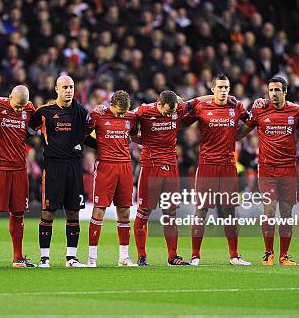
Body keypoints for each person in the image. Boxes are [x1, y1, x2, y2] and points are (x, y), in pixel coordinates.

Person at [239, 77, 299, 265]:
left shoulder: (296, 111)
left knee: (286, 214)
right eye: (271, 90)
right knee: (269, 212)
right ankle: (269, 253)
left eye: (277, 90)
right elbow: (242, 131)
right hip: (267, 169)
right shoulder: (259, 109)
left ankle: (284, 256)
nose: (273, 93)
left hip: (288, 170)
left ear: (285, 92)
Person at [190, 73, 252, 266]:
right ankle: (195, 256)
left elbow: (252, 122)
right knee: (202, 209)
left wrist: (237, 136)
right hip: (207, 164)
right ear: (213, 89)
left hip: (228, 166)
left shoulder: (237, 107)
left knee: (229, 210)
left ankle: (234, 256)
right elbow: (184, 106)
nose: (224, 91)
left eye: (226, 87)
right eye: (220, 87)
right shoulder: (202, 107)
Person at [29, 75, 91, 268]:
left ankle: (71, 258)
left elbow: (89, 135)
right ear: (56, 89)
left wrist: (111, 144)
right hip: (53, 167)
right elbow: (26, 133)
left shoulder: (80, 112)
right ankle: (44, 259)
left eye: (71, 87)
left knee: (74, 213)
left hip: (74, 167)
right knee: (48, 212)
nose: (69, 90)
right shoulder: (44, 112)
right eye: (65, 87)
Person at [132, 90, 195, 266]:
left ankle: (172, 256)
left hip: (171, 167)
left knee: (171, 213)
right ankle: (142, 256)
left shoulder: (177, 108)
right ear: (159, 103)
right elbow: (126, 122)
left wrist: (222, 98)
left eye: (172, 112)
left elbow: (196, 101)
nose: (169, 115)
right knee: (144, 211)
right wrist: (145, 140)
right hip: (150, 167)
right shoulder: (143, 111)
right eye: (167, 112)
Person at [0, 85, 37, 268]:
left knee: (18, 212)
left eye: (22, 106)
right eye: (17, 105)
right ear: (10, 96)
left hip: (19, 167)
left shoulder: (29, 108)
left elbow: (34, 127)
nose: (20, 109)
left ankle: (18, 257)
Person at [86, 90, 138, 267]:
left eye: (124, 112)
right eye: (119, 112)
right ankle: (92, 258)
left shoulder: (131, 118)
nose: (122, 115)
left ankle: (124, 257)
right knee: (99, 209)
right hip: (105, 167)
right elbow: (84, 134)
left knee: (124, 211)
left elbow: (136, 134)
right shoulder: (98, 115)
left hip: (125, 166)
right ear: (111, 105)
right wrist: (99, 145)